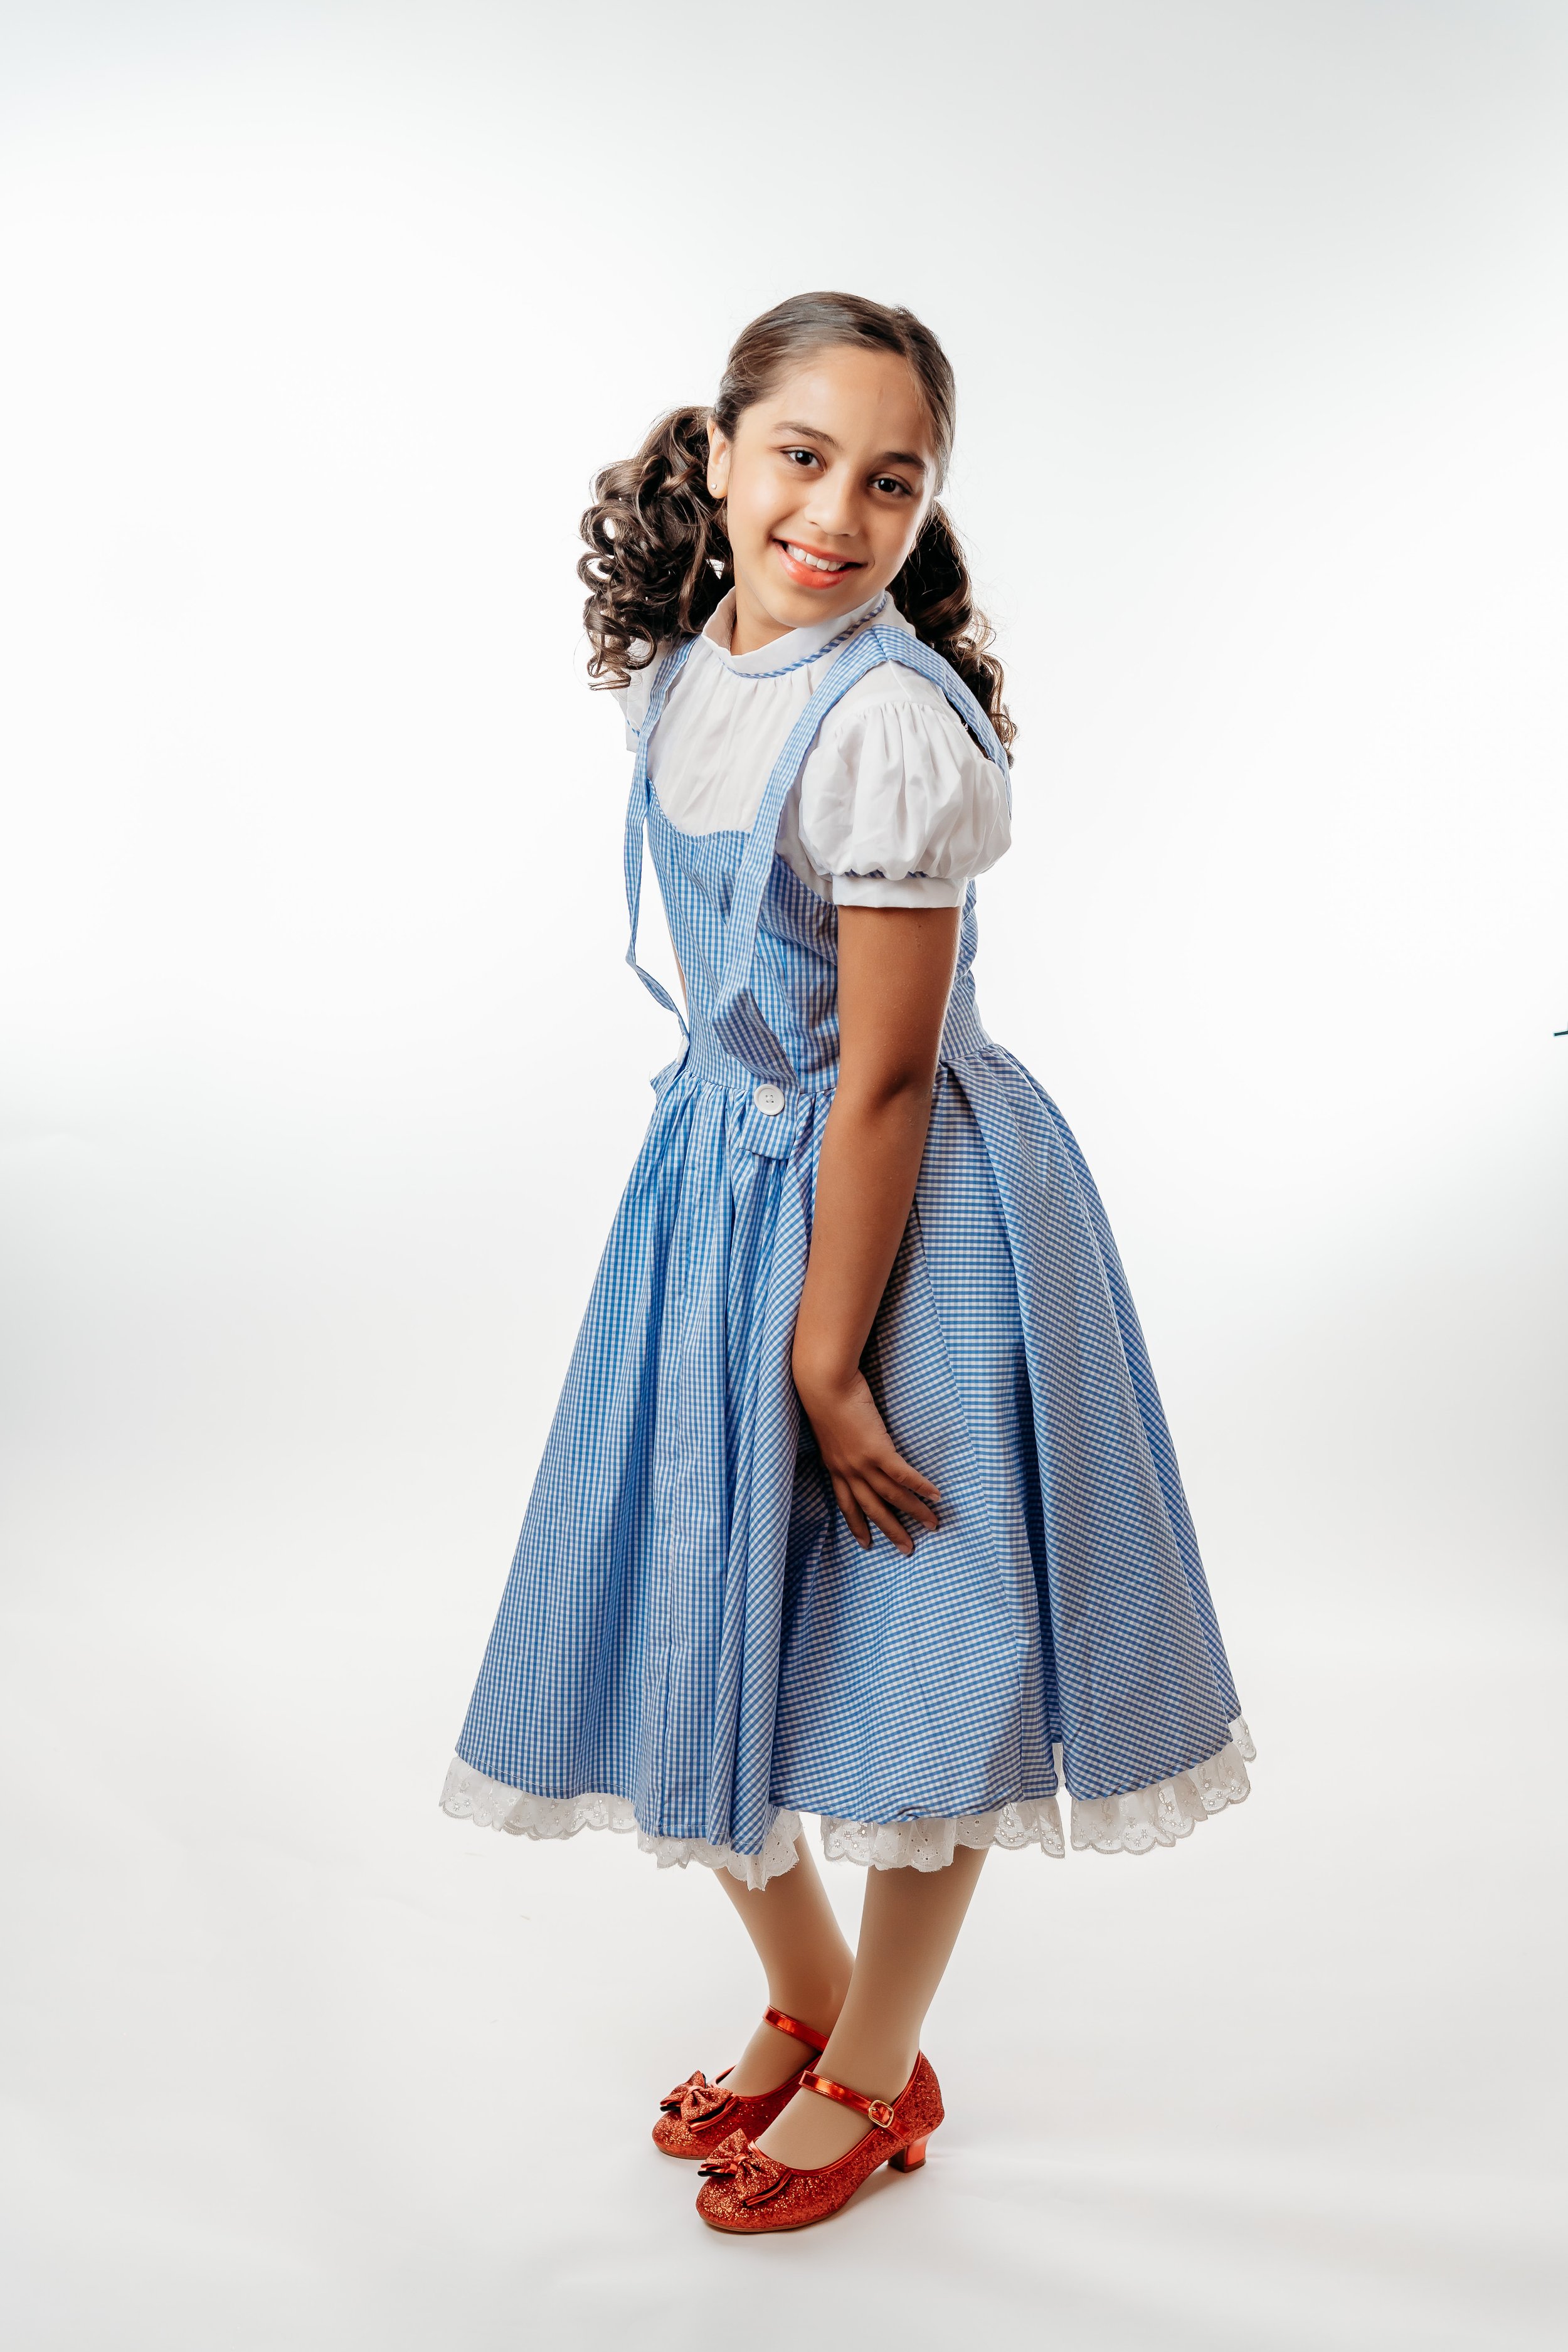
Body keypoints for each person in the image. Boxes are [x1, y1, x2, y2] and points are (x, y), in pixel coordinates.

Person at [441, 291, 1254, 2235]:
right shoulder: (684, 668)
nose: (838, 509)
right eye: (802, 455)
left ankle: (879, 2068)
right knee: (682, 1580)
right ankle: (810, 2001)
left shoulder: (887, 720)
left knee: (926, 1636)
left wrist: (827, 1359)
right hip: (720, 1185)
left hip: (910, 1212)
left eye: (892, 478)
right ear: (718, 451)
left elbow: (882, 1073)